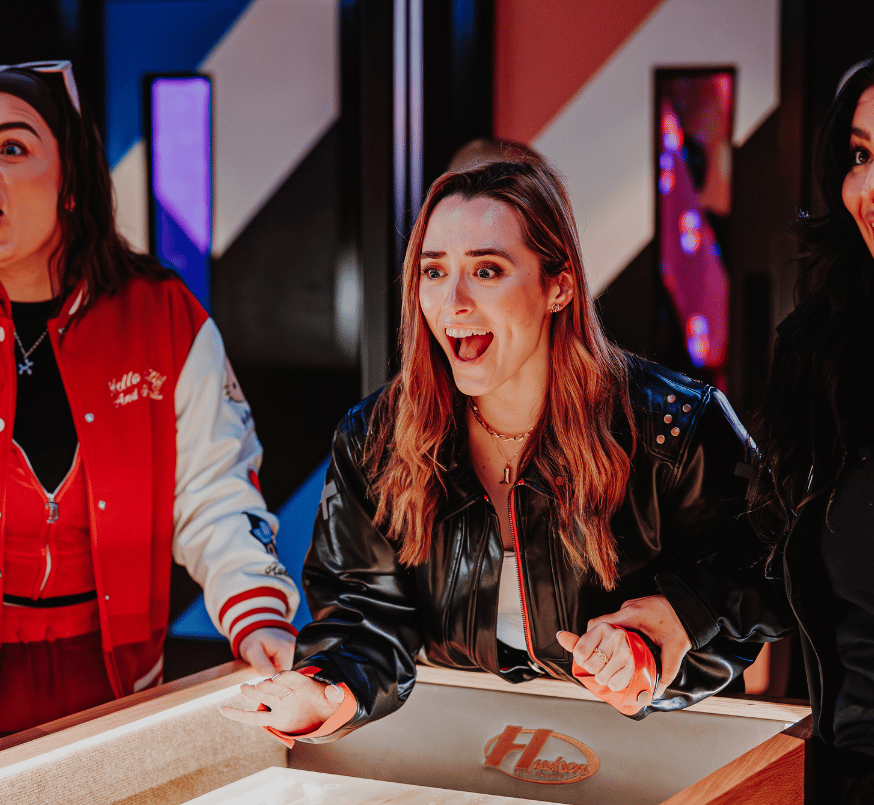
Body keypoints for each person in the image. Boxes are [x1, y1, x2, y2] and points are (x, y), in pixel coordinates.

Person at [221, 157, 786, 743]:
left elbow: (769, 570)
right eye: (433, 272)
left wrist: (664, 629)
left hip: (661, 754)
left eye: (486, 271)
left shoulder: (676, 425)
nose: (453, 302)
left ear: (558, 285)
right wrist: (327, 691)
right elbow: (364, 611)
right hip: (461, 746)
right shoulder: (375, 439)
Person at [0, 62, 298, 734]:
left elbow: (215, 494)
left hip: (114, 691)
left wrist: (257, 611)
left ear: (70, 180)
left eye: (11, 147)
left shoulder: (163, 316)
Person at [748, 39, 874, 805]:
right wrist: (671, 624)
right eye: (859, 156)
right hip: (864, 790)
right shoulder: (820, 352)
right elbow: (763, 551)